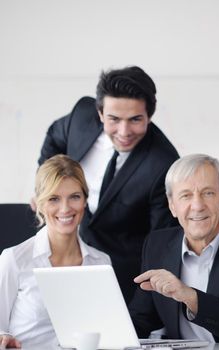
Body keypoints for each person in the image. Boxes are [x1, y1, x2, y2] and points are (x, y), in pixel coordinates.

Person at [38, 66, 180, 304]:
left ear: (149, 116)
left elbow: (160, 241)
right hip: (61, 253)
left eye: (135, 120)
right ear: (100, 113)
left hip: (120, 272)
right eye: (114, 119)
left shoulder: (164, 163)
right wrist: (44, 186)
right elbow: (54, 136)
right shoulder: (81, 115)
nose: (124, 132)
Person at [128, 154, 219, 342]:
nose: (197, 206)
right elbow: (141, 318)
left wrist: (188, 296)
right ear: (172, 206)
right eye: (186, 195)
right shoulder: (157, 245)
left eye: (208, 193)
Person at [0, 155, 111, 348]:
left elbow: (109, 334)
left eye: (74, 197)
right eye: (54, 199)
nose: (65, 208)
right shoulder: (15, 260)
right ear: (39, 204)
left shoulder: (100, 263)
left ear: (85, 200)